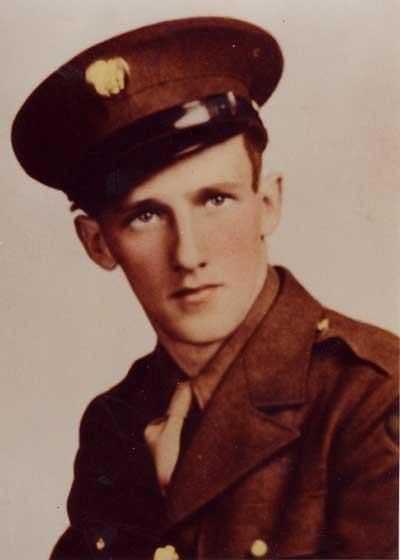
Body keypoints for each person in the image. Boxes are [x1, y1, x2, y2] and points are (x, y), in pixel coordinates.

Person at [11, 16, 398, 560]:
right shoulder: (116, 422)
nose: (188, 254)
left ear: (268, 204)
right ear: (98, 244)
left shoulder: (374, 403)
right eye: (146, 215)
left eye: (215, 200)